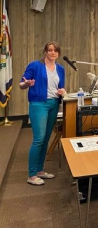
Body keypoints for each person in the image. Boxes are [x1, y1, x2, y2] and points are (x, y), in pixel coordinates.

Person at [19, 41, 67, 186]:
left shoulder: (61, 68)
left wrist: (62, 91)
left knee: (46, 138)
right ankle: (32, 174)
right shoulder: (35, 65)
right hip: (39, 104)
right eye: (50, 50)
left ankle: (40, 170)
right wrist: (27, 84)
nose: (53, 53)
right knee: (38, 139)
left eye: (55, 50)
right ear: (45, 52)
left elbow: (61, 86)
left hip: (53, 104)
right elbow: (22, 83)